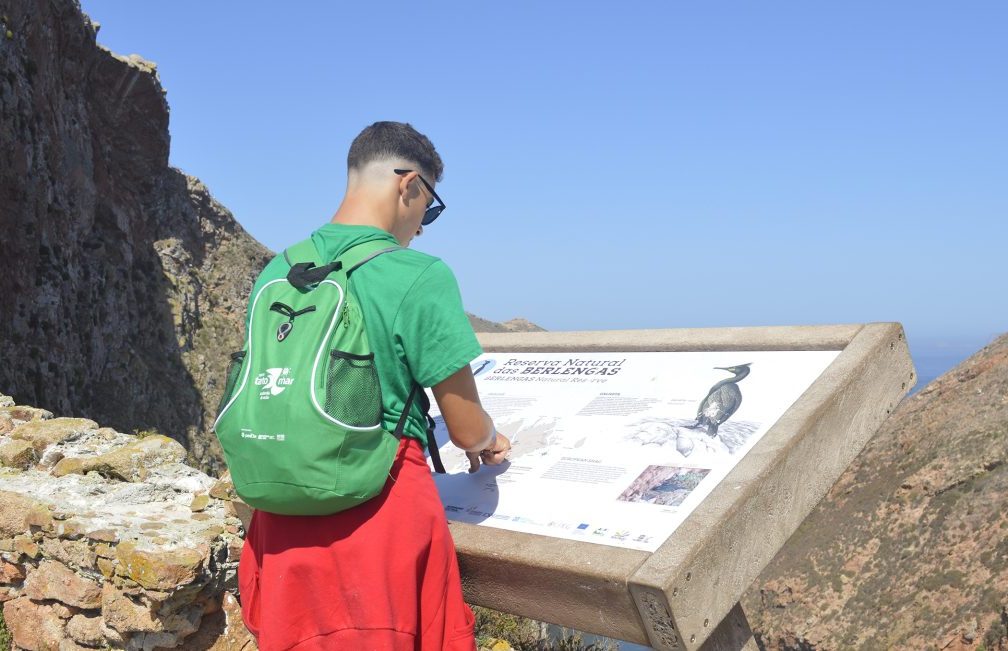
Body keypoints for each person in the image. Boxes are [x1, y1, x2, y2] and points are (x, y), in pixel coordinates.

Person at [237, 121, 511, 650]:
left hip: (282, 512)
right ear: (408, 184)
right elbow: (466, 426)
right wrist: (489, 442)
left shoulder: (282, 267)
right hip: (378, 513)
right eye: (429, 208)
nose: (424, 227)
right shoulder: (417, 274)